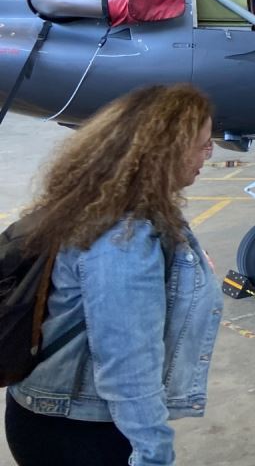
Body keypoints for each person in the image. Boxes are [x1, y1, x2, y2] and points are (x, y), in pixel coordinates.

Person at [5, 84, 222, 466]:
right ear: (166, 152)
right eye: (203, 144)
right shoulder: (125, 237)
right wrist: (154, 453)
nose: (210, 152)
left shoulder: (99, 201)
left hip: (55, 414)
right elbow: (128, 366)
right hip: (77, 431)